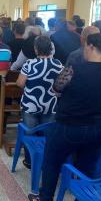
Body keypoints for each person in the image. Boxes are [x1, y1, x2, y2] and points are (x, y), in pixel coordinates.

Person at [29, 33, 101, 201]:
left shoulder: (74, 68)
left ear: (90, 47)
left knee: (52, 162)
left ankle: (45, 200)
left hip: (69, 125)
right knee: (88, 168)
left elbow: (55, 89)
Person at [16, 36, 64, 169]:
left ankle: (30, 161)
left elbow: (20, 83)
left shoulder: (30, 64)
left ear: (36, 49)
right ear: (50, 48)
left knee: (30, 133)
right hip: (50, 105)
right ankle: (45, 160)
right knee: (47, 134)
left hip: (31, 104)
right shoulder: (58, 64)